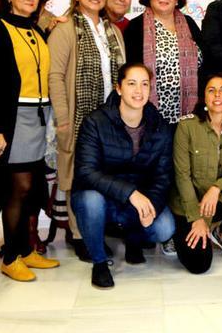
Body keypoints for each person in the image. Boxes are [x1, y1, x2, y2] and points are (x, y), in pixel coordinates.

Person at [0, 0, 61, 281]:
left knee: (33, 188)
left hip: (39, 119)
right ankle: (10, 257)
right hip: (13, 121)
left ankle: (26, 250)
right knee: (18, 188)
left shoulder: (37, 32)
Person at [71, 63, 175, 289]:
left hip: (136, 201)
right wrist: (130, 193)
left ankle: (133, 239)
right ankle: (99, 263)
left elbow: (163, 178)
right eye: (131, 84)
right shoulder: (95, 122)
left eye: (144, 84)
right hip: (103, 199)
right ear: (118, 88)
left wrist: (152, 206)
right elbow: (86, 172)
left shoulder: (160, 126)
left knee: (166, 226)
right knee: (89, 200)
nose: (139, 91)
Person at [48, 0, 126, 261]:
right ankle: (79, 233)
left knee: (101, 174)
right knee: (76, 175)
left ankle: (95, 228)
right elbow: (55, 76)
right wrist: (64, 118)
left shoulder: (113, 31)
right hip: (77, 116)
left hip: (109, 118)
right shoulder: (65, 29)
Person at [169, 73, 222, 274]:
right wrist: (197, 219)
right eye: (211, 90)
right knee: (199, 264)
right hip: (188, 205)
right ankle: (174, 234)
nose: (217, 95)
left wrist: (216, 188)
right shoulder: (187, 126)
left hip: (217, 200)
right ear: (204, 97)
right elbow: (182, 175)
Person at [124, 0, 202, 126]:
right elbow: (130, 71)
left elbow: (206, 61)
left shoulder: (189, 23)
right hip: (149, 112)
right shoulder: (135, 27)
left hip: (188, 111)